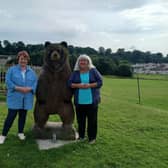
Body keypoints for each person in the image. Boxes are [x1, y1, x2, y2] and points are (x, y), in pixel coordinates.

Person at [0, 51, 37, 144]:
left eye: (25, 59)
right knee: (11, 116)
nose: (23, 61)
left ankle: (20, 132)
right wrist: (18, 88)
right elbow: (8, 81)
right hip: (15, 98)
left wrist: (30, 89)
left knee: (23, 116)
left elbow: (36, 83)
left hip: (26, 98)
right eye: (21, 59)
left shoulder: (32, 72)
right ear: (18, 59)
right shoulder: (12, 70)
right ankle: (3, 135)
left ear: (27, 60)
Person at [68, 54, 103, 144]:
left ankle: (92, 138)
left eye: (85, 60)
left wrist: (89, 85)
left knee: (92, 121)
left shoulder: (93, 71)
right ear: (78, 63)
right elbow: (69, 83)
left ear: (88, 62)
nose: (83, 62)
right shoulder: (75, 72)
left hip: (92, 101)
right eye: (81, 60)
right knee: (81, 121)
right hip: (79, 102)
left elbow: (100, 82)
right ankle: (81, 136)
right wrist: (78, 85)